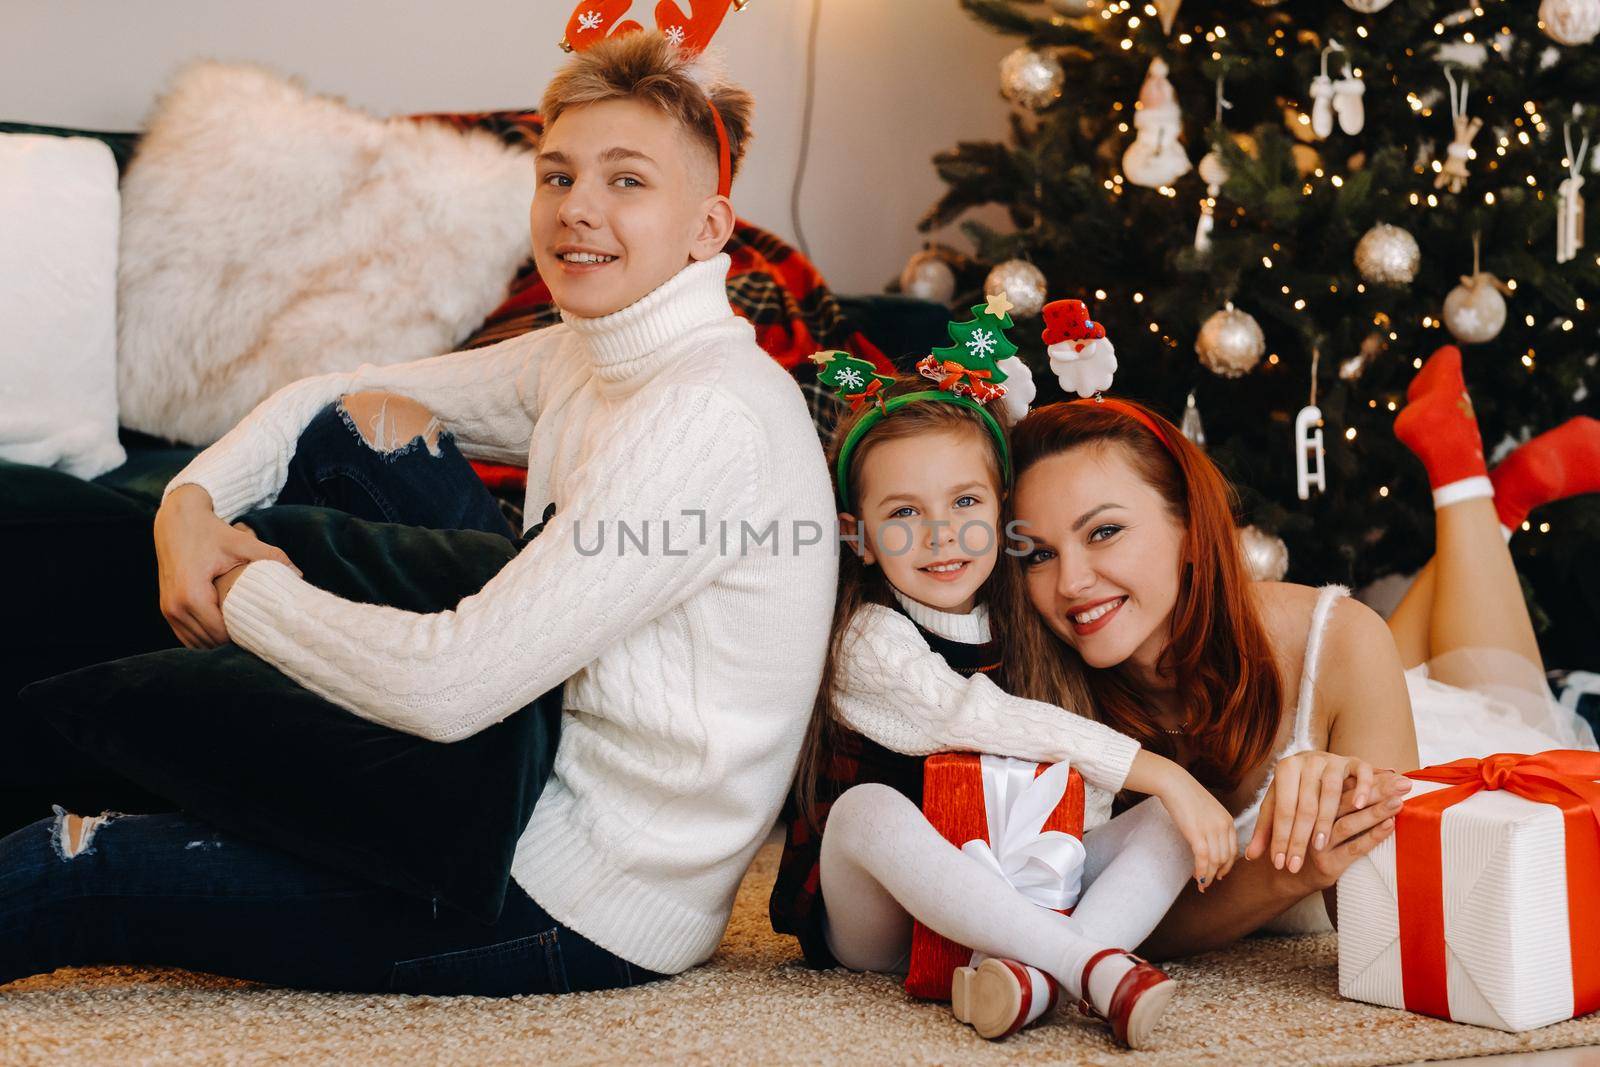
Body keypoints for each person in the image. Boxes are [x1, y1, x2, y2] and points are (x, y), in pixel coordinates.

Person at [0, 32, 837, 995]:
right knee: (354, 440)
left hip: (580, 893)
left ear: (708, 227)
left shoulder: (704, 414)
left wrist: (241, 590)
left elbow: (454, 689)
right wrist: (187, 506)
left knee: (84, 863)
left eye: (627, 182)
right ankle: (272, 753)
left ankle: (249, 762)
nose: (578, 210)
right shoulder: (593, 350)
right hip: (525, 749)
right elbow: (335, 392)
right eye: (557, 176)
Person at [1004, 344, 1599, 956]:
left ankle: (1482, 495)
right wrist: (1298, 866)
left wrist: (1339, 806)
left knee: (1491, 690)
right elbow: (1084, 925)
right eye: (1039, 554)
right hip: (1352, 680)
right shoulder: (1029, 687)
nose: (1070, 583)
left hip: (1416, 731)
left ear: (1189, 526)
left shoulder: (1334, 639)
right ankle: (1491, 503)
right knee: (1410, 653)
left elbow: (1386, 928)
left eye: (1104, 532)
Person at [770, 372, 1237, 1048]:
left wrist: (1161, 795)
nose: (940, 533)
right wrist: (1160, 770)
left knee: (1165, 822)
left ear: (1003, 515)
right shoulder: (868, 638)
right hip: (884, 919)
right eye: (903, 513)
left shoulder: (1028, 621)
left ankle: (1030, 982)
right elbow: (973, 715)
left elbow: (1080, 794)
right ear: (860, 535)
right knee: (864, 810)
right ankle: (1083, 964)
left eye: (964, 500)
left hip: (1017, 890)